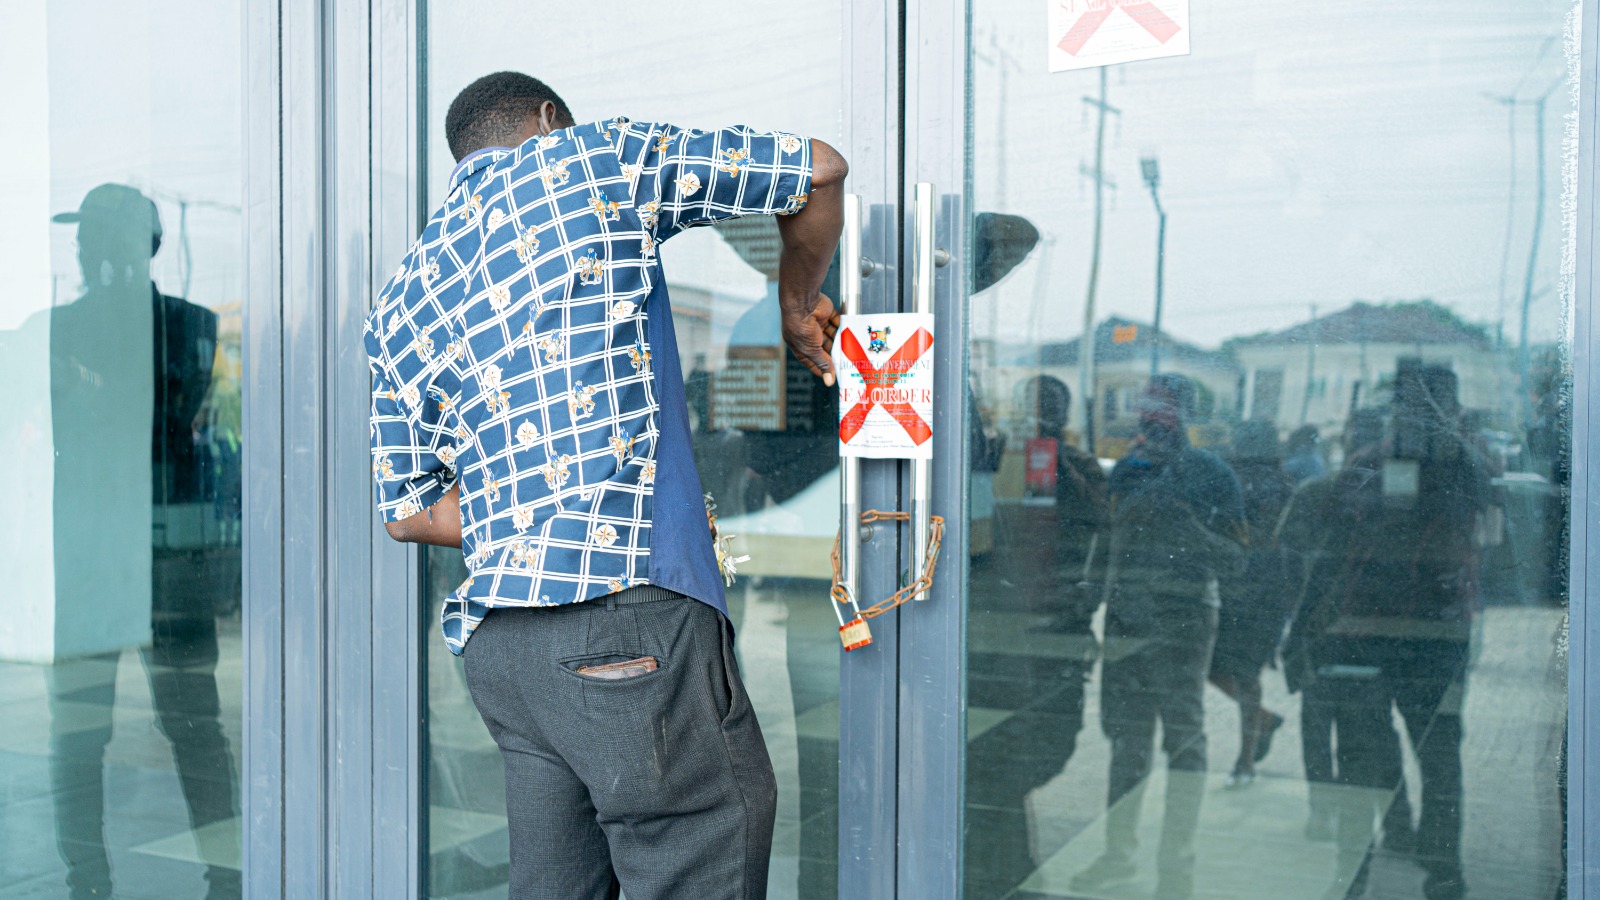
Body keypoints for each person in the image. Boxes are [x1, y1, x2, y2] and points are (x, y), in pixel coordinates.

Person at [363, 72, 846, 899]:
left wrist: (527, 516)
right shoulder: (590, 160)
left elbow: (408, 515)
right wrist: (797, 305)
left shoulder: (402, 291)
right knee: (704, 849)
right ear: (550, 119)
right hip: (626, 625)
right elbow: (819, 170)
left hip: (505, 650)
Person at [43, 183, 236, 899]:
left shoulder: (176, 326)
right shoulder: (182, 324)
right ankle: (102, 881)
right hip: (118, 551)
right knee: (102, 732)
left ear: (132, 245)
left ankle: (218, 875)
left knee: (180, 724)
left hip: (149, 551)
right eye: (82, 235)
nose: (83, 248)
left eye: (94, 234)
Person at [1278, 363, 1487, 900]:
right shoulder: (1372, 465)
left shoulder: (1466, 465)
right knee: (1372, 760)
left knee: (1430, 759)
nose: (1418, 416)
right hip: (1384, 637)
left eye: (1430, 405)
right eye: (1411, 404)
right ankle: (1367, 873)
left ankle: (1438, 875)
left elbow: (1490, 535)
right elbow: (1332, 560)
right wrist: (1303, 628)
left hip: (1424, 639)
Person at [1072, 374, 1246, 900]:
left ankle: (1177, 870)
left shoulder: (1212, 476)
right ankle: (1119, 854)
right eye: (1147, 409)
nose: (1153, 421)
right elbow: (1110, 548)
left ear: (1186, 416)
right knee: (1127, 741)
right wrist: (1092, 613)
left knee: (1184, 741)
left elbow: (1238, 562)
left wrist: (1188, 526)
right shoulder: (1129, 469)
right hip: (1127, 617)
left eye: (1163, 410)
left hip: (1185, 618)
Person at [1208, 419, 1295, 787]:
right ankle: (1259, 726)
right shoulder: (1285, 485)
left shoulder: (1229, 482)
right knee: (1242, 674)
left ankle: (1247, 757)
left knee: (1224, 670)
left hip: (1242, 589)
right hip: (1264, 593)